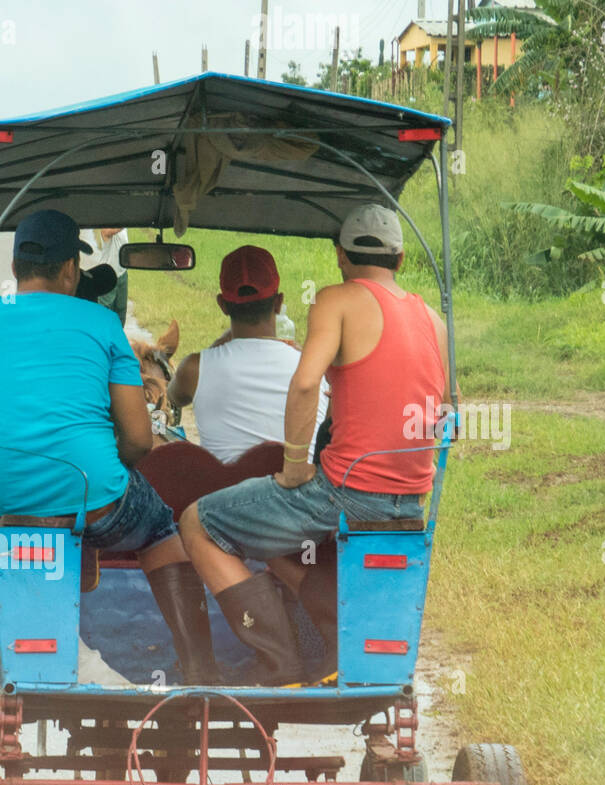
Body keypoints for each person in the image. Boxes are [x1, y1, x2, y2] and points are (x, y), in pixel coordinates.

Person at [0, 209, 220, 690]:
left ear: (18, 267)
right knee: (161, 527)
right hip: (99, 506)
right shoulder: (102, 324)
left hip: (7, 510)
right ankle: (201, 669)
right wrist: (107, 467)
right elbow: (139, 439)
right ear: (69, 270)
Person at [178, 204, 450, 685]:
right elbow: (445, 409)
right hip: (411, 497)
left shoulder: (336, 300)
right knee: (276, 533)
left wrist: (293, 466)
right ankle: (329, 635)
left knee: (197, 522)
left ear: (341, 257)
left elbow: (306, 384)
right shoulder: (433, 319)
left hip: (345, 491)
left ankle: (279, 660)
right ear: (401, 259)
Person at [167, 245, 328, 466]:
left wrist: (215, 346)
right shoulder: (314, 368)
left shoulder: (194, 369)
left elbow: (173, 397)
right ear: (279, 303)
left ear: (222, 305)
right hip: (298, 495)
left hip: (225, 498)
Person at [81, 227, 129, 320]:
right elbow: (107, 231)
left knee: (120, 316)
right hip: (106, 277)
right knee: (104, 315)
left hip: (122, 273)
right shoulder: (105, 221)